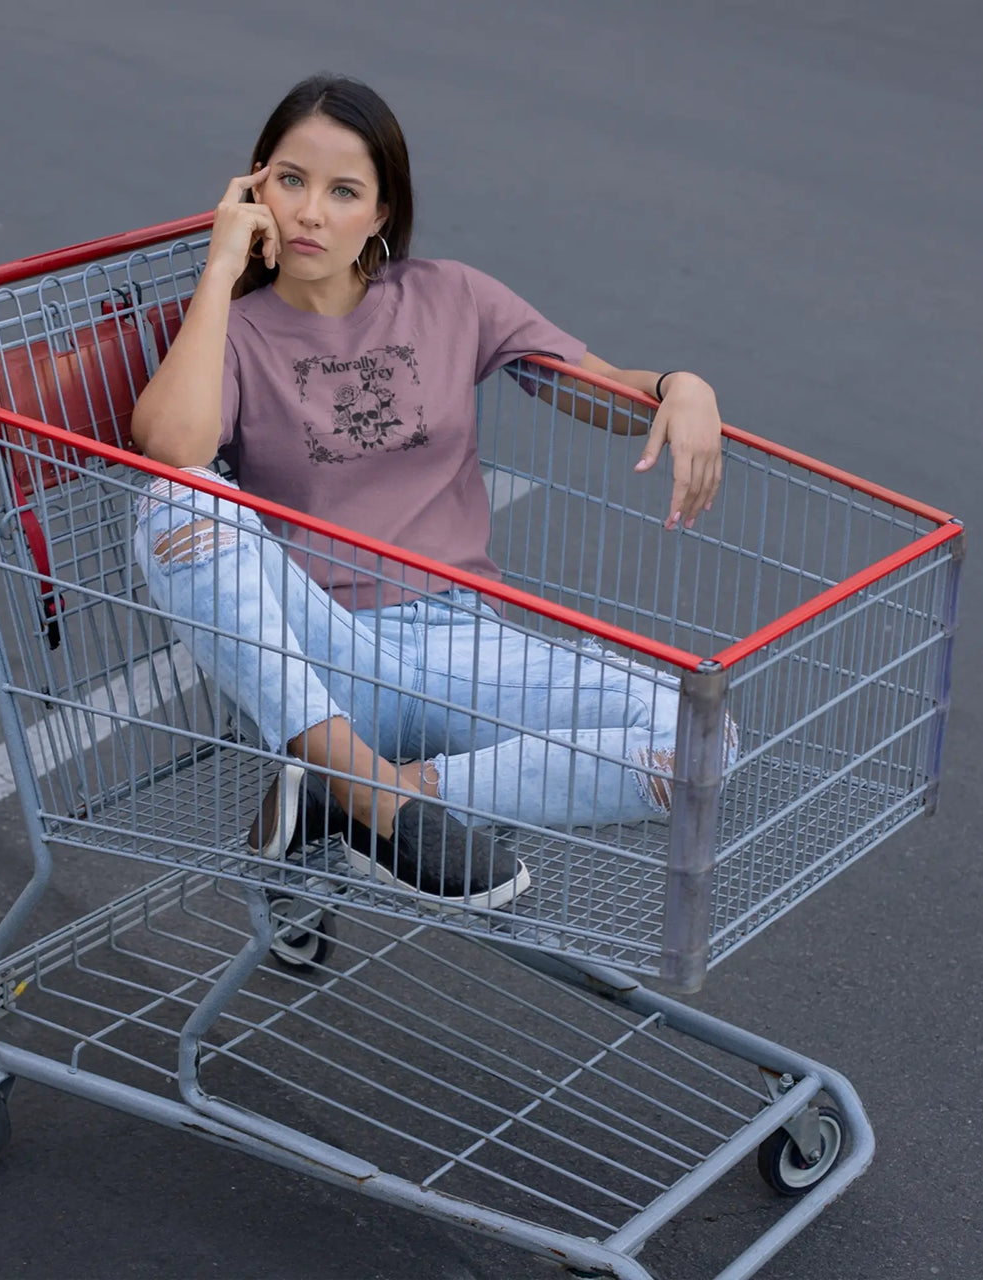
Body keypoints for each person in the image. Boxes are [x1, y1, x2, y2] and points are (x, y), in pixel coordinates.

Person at [129, 74, 727, 911]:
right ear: (255, 185)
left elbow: (593, 387)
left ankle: (377, 793)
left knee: (699, 740)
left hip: (463, 644)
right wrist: (223, 264)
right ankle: (358, 784)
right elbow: (172, 447)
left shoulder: (450, 296)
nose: (309, 214)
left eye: (344, 192)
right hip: (325, 649)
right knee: (176, 502)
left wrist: (679, 387)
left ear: (380, 212)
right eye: (291, 182)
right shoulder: (238, 330)